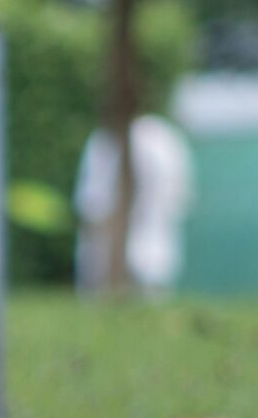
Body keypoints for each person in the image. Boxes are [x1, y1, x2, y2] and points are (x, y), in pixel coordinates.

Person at [75, 113, 195, 294]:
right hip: (128, 247)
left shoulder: (159, 139)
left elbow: (174, 196)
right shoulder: (105, 141)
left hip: (150, 244)